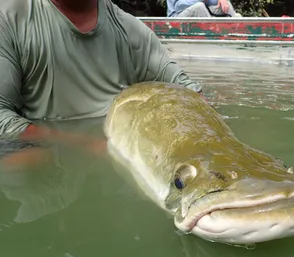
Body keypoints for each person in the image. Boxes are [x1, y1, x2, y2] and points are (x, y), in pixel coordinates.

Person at [0, 0, 203, 157]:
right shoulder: (9, 17)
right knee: (28, 159)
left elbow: (189, 92)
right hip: (49, 157)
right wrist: (84, 145)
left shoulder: (130, 29)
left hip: (119, 155)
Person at [167, 0, 242, 17]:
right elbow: (179, 6)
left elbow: (210, 2)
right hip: (175, 20)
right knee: (199, 6)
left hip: (199, 15)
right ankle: (214, 40)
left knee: (226, 4)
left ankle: (238, 35)